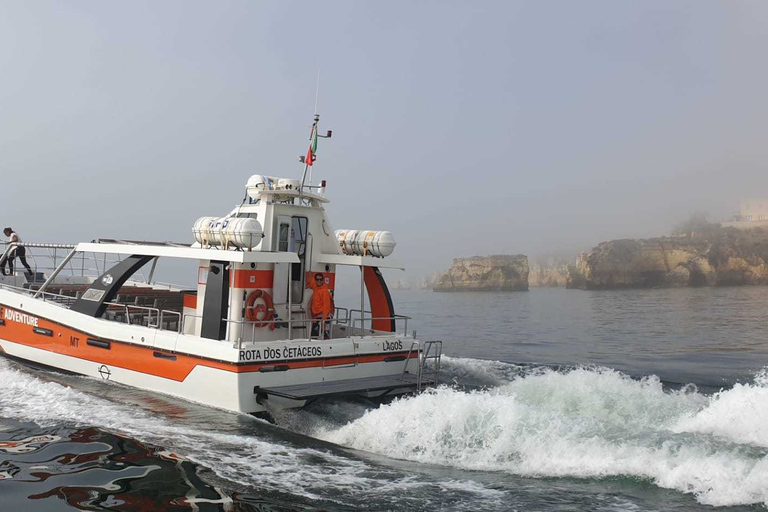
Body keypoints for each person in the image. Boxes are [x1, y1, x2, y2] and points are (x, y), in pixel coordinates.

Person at [307, 272, 333, 339]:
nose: (319, 281)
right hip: (317, 316)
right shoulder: (316, 288)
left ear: (323, 280)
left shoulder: (324, 291)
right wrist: (310, 275)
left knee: (322, 335)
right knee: (314, 334)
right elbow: (312, 283)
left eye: (320, 279)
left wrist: (323, 320)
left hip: (323, 316)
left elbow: (326, 306)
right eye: (317, 279)